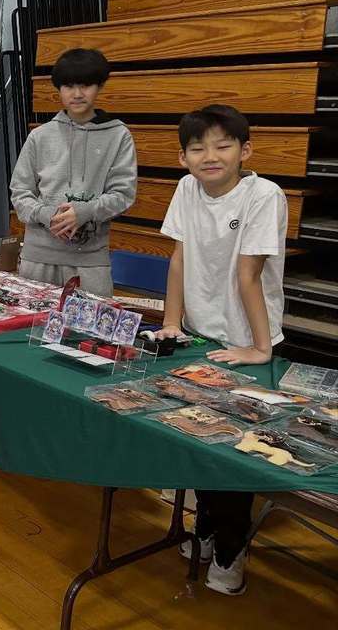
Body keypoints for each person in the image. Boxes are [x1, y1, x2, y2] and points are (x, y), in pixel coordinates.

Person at [156, 104, 288, 596]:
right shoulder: (186, 189)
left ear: (245, 150)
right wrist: (172, 323)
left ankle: (231, 550)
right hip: (201, 336)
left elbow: (248, 273)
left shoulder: (264, 195)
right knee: (198, 437)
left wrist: (259, 348)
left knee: (234, 453)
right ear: (183, 157)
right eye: (197, 148)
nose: (210, 156)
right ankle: (206, 528)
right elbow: (179, 258)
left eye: (223, 145)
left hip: (248, 340)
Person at [10, 48, 137, 297]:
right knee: (31, 321)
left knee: (91, 323)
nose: (77, 94)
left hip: (90, 262)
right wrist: (49, 216)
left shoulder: (118, 135)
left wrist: (85, 212)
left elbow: (123, 195)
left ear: (100, 86)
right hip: (37, 260)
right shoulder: (39, 136)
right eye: (69, 86)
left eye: (86, 85)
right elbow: (20, 192)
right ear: (58, 89)